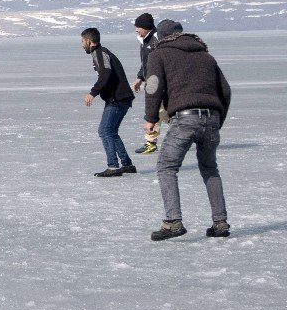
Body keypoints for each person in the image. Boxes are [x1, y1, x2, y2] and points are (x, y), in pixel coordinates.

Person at [144, 20, 232, 241]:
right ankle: (220, 222)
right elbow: (225, 90)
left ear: (161, 37)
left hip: (185, 118)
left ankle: (173, 222)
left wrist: (150, 118)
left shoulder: (159, 54)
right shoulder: (206, 56)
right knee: (210, 168)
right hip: (211, 117)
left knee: (166, 167)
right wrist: (217, 120)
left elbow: (153, 86)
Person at [80, 28, 136, 177]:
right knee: (111, 132)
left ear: (90, 42)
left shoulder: (100, 53)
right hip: (120, 98)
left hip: (117, 99)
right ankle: (127, 165)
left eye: (83, 41)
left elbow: (105, 74)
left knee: (104, 131)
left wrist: (93, 93)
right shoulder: (100, 53)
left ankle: (113, 167)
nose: (82, 44)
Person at [131, 13, 162, 155]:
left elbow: (160, 63)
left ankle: (151, 143)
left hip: (158, 84)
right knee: (159, 112)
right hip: (151, 81)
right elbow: (146, 63)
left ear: (146, 27)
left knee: (156, 111)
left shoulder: (156, 40)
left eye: (138, 27)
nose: (136, 30)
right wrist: (140, 78)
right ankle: (151, 142)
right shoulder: (145, 40)